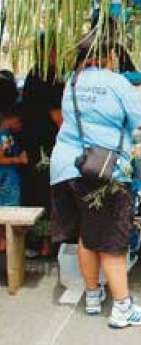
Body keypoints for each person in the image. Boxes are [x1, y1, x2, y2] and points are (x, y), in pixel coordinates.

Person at [50, 35, 141, 327]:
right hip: (103, 170)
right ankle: (123, 307)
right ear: (108, 54)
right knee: (111, 240)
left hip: (67, 166)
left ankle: (93, 295)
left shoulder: (71, 80)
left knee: (88, 233)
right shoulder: (117, 83)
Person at [20, 34, 64, 257]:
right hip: (44, 146)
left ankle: (39, 242)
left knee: (37, 191)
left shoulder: (35, 73)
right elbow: (58, 118)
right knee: (45, 193)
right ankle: (45, 244)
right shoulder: (49, 77)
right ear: (49, 51)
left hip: (34, 141)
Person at [0, 70, 29, 252]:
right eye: (18, 120)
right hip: (7, 181)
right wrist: (19, 158)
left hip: (7, 180)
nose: (21, 124)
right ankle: (8, 248)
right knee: (11, 216)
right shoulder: (5, 137)